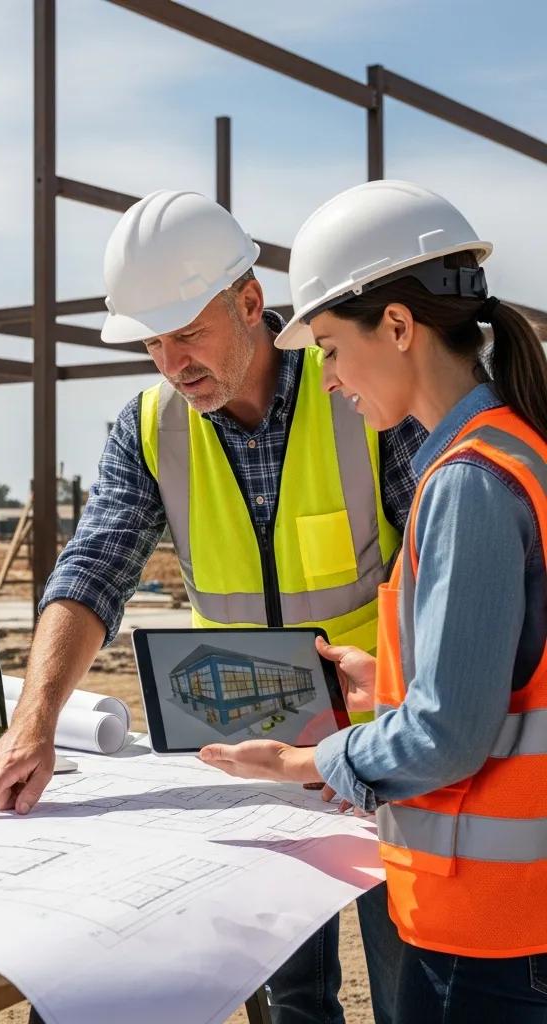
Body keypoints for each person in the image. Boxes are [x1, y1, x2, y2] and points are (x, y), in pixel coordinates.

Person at [0, 190, 428, 1024]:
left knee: (409, 983)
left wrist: (400, 717)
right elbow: (94, 569)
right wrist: (35, 722)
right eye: (152, 341)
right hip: (249, 741)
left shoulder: (357, 388)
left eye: (187, 333)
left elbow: (443, 560)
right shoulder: (150, 428)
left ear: (250, 302)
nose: (171, 362)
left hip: (381, 736)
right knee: (290, 993)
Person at [199, 179, 547, 1022]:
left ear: (396, 326)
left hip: (489, 938)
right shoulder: (517, 451)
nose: (325, 379)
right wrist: (387, 682)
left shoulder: (467, 482)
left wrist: (306, 763)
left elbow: (447, 735)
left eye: (327, 346)